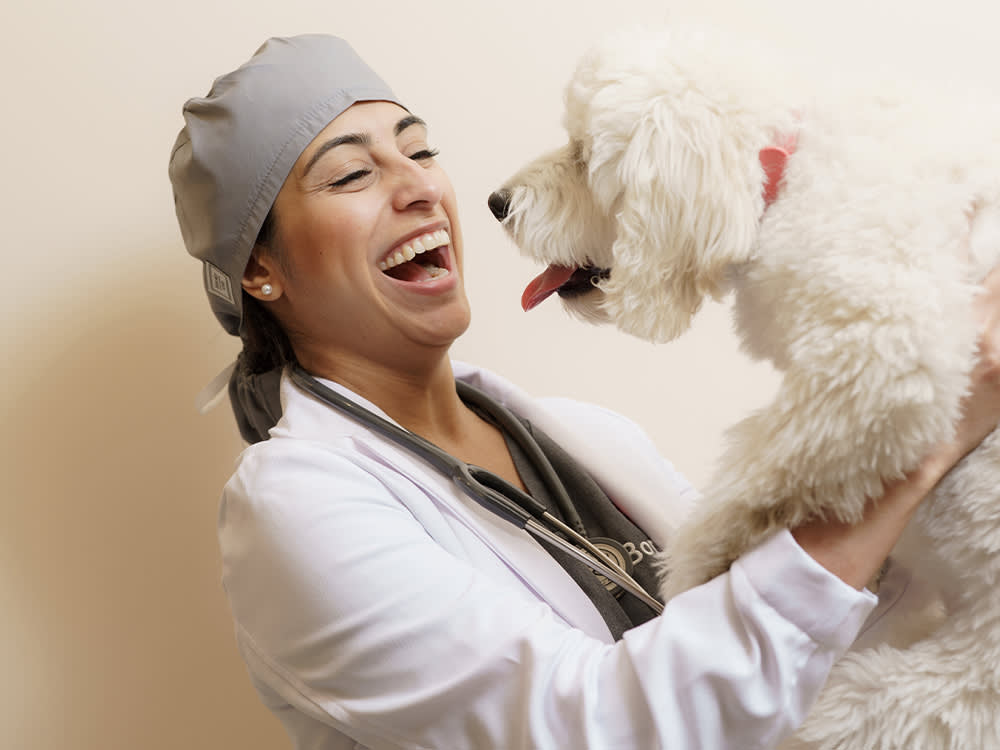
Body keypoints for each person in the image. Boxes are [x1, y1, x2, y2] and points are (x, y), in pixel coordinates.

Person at [169, 35, 1000, 750]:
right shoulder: (295, 504)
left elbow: (802, 633)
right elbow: (601, 727)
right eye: (351, 174)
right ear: (259, 270)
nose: (419, 186)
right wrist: (931, 422)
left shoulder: (585, 437)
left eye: (419, 151)